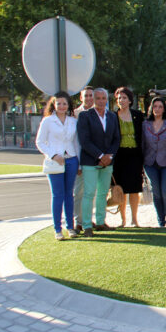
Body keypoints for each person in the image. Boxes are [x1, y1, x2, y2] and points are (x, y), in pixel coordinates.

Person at [36, 92, 80, 240]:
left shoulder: (72, 121)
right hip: (55, 161)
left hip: (71, 159)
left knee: (69, 195)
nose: (62, 106)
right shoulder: (48, 121)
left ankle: (70, 227)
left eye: (64, 103)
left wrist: (78, 162)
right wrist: (53, 155)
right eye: (59, 103)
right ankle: (57, 229)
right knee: (58, 195)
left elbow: (76, 142)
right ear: (54, 105)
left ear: (69, 105)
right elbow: (40, 142)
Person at [77, 88, 120, 237]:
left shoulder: (112, 116)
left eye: (104, 98)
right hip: (90, 161)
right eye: (98, 98)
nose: (101, 101)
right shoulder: (85, 116)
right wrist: (101, 156)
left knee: (102, 193)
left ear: (107, 100)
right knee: (89, 193)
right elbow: (84, 140)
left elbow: (116, 139)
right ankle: (87, 225)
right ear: (92, 100)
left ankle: (101, 222)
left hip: (108, 161)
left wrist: (109, 156)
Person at [142, 97, 166, 227]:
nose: (157, 109)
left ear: (164, 109)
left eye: (160, 107)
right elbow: (142, 144)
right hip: (150, 163)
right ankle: (161, 222)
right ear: (151, 108)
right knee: (156, 193)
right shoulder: (145, 124)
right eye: (155, 106)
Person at [112, 87, 144, 228]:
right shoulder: (113, 116)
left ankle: (134, 219)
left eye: (124, 98)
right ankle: (123, 220)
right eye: (119, 98)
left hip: (135, 156)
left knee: (134, 189)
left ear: (130, 100)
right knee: (121, 190)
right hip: (119, 157)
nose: (121, 100)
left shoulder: (138, 115)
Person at [73, 86, 94, 232]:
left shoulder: (99, 113)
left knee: (91, 192)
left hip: (95, 159)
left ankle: (87, 219)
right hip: (81, 158)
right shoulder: (75, 114)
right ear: (81, 98)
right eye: (85, 96)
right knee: (79, 192)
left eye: (90, 95)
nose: (88, 98)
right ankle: (78, 220)